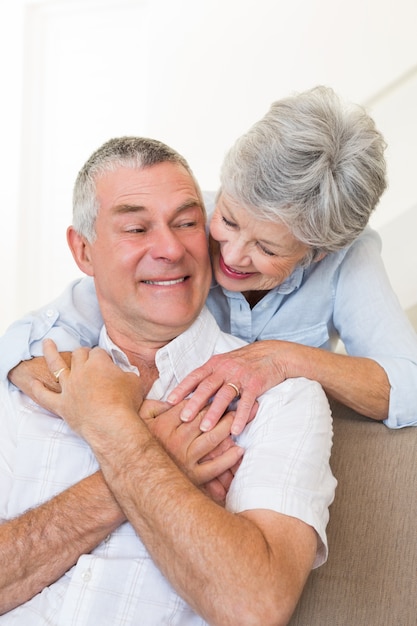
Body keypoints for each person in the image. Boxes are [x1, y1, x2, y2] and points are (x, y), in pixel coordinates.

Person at [0, 137, 336, 625]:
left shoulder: (282, 401)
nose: (171, 249)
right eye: (137, 228)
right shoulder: (24, 387)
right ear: (84, 251)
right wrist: (152, 453)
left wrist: (113, 427)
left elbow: (253, 607)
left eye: (186, 223)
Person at [3, 86, 416, 431]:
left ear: (318, 251)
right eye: (230, 220)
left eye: (267, 248)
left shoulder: (348, 256)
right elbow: (38, 338)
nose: (232, 255)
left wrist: (286, 357)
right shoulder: (178, 227)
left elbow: (410, 386)